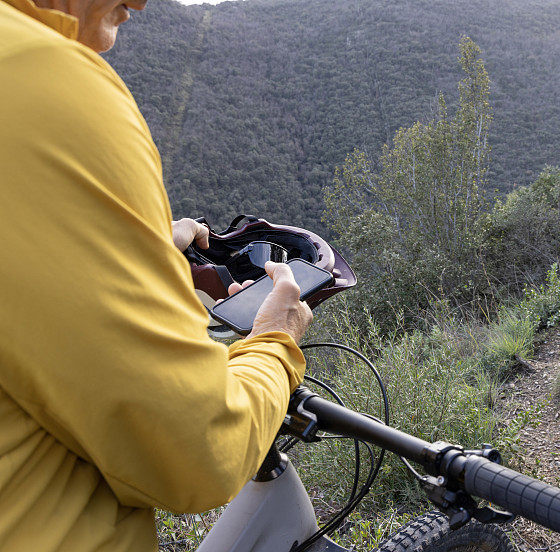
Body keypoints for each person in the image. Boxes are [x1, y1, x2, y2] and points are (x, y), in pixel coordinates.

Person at [0, 1, 314, 550]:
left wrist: (139, 252)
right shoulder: (51, 83)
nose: (144, 2)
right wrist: (275, 342)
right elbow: (197, 451)